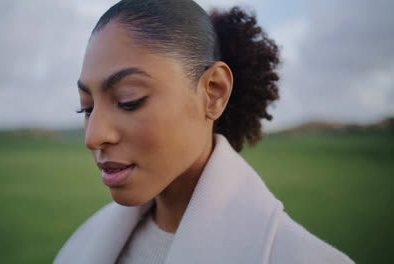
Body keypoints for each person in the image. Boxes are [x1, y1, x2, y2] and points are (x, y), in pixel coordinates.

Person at [54, 0, 354, 263]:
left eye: (128, 101)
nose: (93, 137)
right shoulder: (83, 244)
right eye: (87, 108)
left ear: (213, 92)